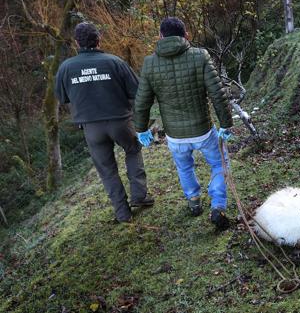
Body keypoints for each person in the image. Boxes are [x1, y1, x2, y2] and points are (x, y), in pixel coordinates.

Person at [133, 17, 233, 229]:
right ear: (186, 34)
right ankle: (217, 205)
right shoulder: (200, 56)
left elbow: (142, 103)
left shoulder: (150, 64)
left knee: (184, 167)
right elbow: (217, 93)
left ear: (160, 36)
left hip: (175, 136)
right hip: (203, 131)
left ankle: (194, 201)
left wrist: (141, 129)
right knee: (219, 163)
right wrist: (225, 123)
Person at [55, 22, 154, 223]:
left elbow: (62, 97)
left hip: (91, 127)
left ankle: (122, 213)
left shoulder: (65, 68)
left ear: (77, 43)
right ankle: (140, 196)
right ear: (99, 39)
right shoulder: (114, 62)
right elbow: (137, 91)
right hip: (120, 121)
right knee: (133, 150)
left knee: (107, 169)